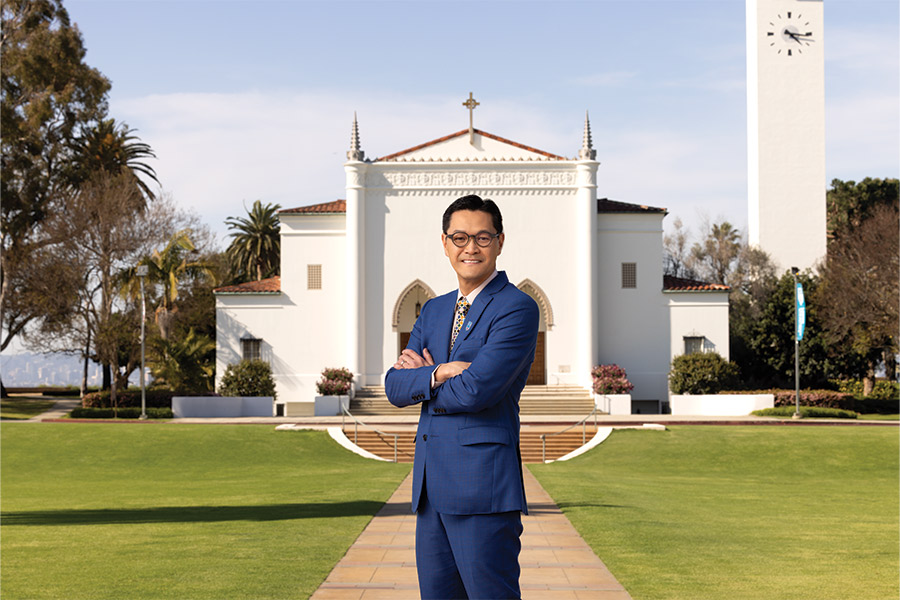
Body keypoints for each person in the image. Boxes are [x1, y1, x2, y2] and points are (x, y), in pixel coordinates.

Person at [385, 194, 539, 599]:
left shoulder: (517, 308)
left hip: (482, 490)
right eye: (459, 237)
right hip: (430, 491)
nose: (470, 247)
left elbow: (476, 391)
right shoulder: (433, 311)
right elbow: (392, 387)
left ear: (500, 242)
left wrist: (421, 379)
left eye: (482, 237)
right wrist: (439, 371)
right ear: (444, 242)